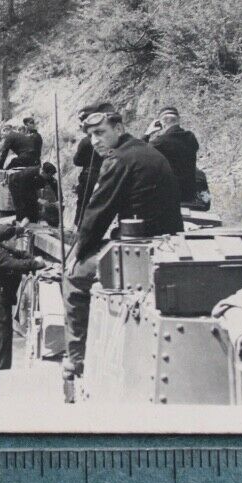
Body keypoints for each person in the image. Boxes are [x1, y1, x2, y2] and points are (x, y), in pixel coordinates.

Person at [61, 111, 183, 401]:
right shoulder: (148, 152)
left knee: (75, 278)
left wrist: (77, 252)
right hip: (170, 243)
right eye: (91, 136)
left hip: (140, 248)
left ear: (119, 127)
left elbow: (97, 213)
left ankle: (76, 359)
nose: (95, 141)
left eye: (101, 133)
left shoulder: (118, 159)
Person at [0, 225, 55, 401]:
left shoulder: (1, 250)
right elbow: (17, 264)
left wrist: (34, 258)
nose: (16, 242)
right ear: (6, 241)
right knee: (0, 354)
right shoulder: (1, 256)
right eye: (14, 239)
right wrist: (37, 263)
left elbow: (21, 256)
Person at [145, 106, 201, 206]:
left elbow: (136, 153)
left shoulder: (160, 142)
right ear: (178, 120)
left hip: (167, 197)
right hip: (189, 196)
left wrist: (147, 133)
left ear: (162, 123)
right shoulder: (191, 138)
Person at [72, 102, 113, 226]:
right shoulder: (108, 136)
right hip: (105, 174)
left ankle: (79, 229)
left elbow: (77, 161)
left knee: (83, 204)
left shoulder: (85, 141)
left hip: (90, 174)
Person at [3, 161, 59, 226]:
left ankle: (32, 222)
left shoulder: (47, 174)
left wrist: (59, 200)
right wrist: (39, 200)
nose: (50, 177)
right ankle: (19, 225)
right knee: (21, 206)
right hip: (16, 185)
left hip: (29, 187)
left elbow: (55, 185)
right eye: (49, 176)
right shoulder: (28, 174)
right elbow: (24, 192)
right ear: (43, 172)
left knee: (34, 207)